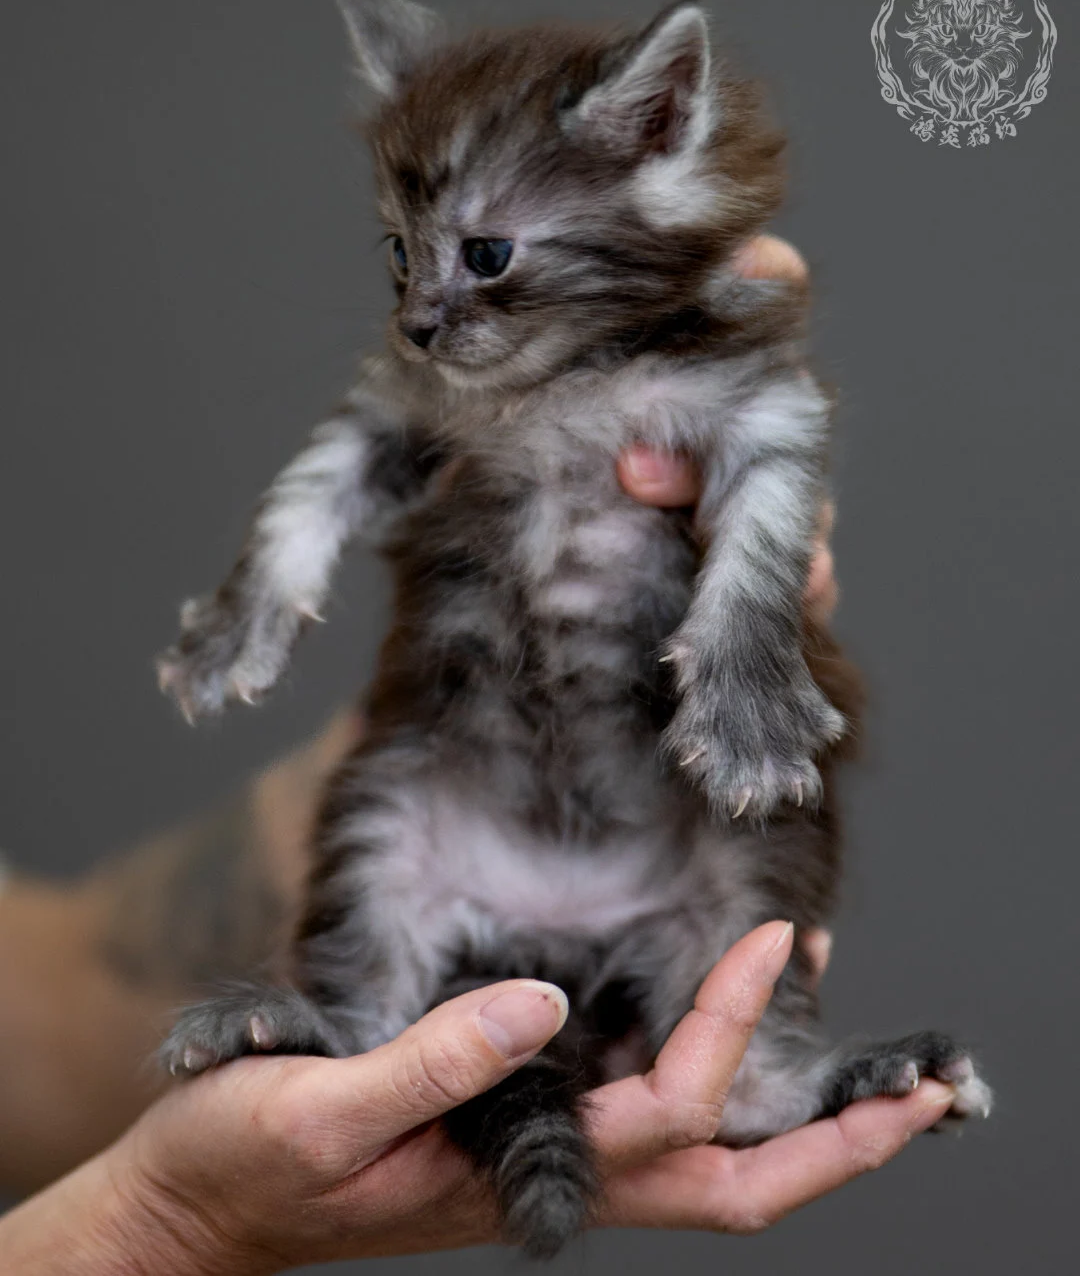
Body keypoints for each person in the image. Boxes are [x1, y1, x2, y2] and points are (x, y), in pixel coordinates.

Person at [0, 239, 959, 1271]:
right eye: (402, 249)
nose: (420, 308)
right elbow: (366, 444)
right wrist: (162, 1222)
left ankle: (763, 1066)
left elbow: (27, 1019)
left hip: (630, 823)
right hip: (461, 822)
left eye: (488, 251)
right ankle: (359, 1024)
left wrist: (753, 604)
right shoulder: (451, 358)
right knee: (405, 833)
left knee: (755, 803)